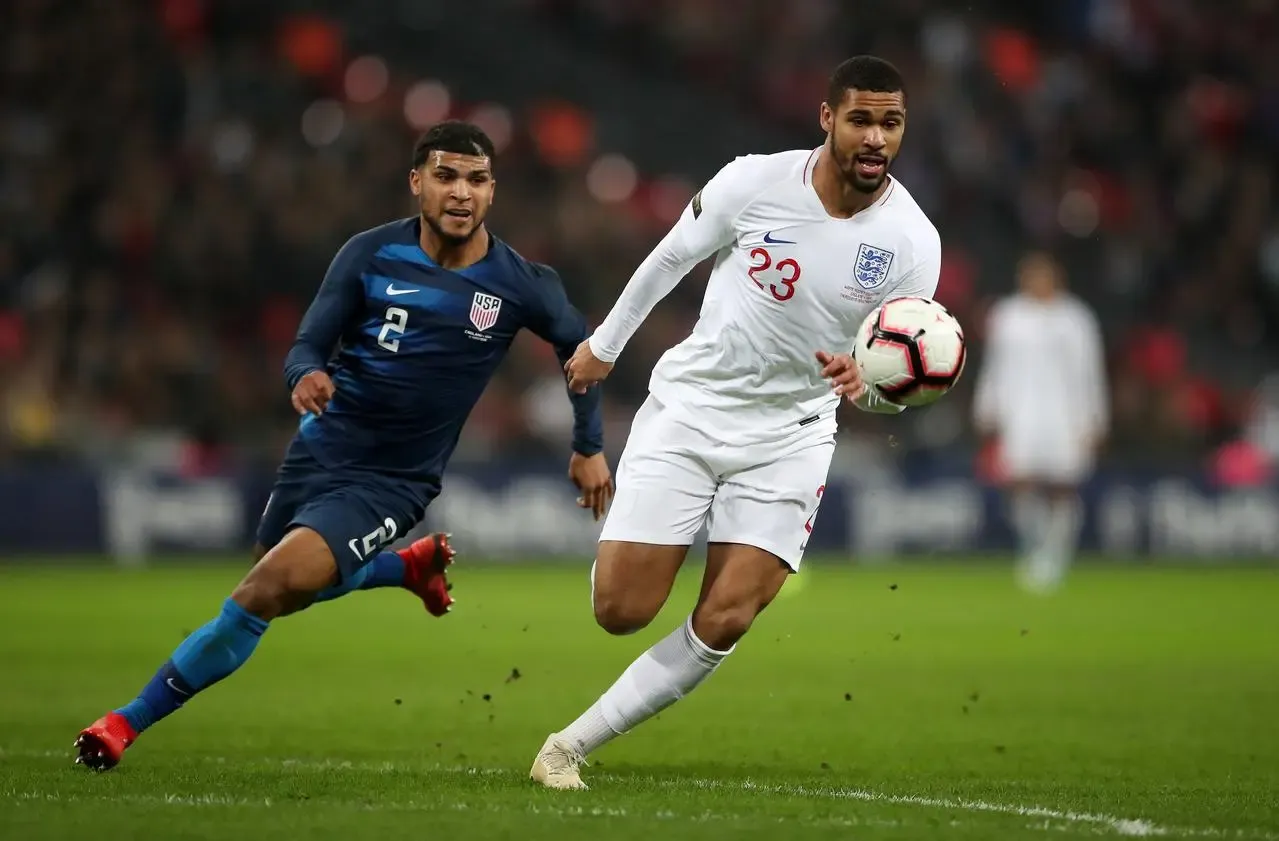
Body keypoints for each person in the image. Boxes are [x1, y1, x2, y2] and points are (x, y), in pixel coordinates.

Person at [75, 121, 614, 770]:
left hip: (393, 479)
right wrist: (304, 373)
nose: (461, 192)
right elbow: (308, 343)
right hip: (320, 448)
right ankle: (404, 569)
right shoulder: (369, 253)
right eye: (445, 176)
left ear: (492, 191)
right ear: (416, 182)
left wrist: (588, 445)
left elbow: (583, 350)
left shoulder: (521, 282)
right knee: (282, 581)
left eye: (476, 180)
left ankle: (123, 723)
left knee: (264, 589)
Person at [528, 56, 941, 789]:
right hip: (691, 409)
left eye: (891, 123)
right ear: (827, 119)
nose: (876, 138)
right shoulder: (753, 181)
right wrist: (604, 346)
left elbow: (893, 379)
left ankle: (568, 746)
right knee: (620, 609)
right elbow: (670, 258)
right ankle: (634, 545)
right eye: (861, 120)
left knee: (726, 616)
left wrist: (866, 389)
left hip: (791, 435)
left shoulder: (913, 243)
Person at [973, 251, 1108, 593]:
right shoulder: (1007, 315)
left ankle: (1056, 554)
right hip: (1020, 413)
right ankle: (1033, 549)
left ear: (1057, 278)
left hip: (1066, 414)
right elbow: (994, 365)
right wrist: (986, 406)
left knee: (1063, 486)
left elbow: (1090, 372)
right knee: (1019, 483)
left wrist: (1095, 418)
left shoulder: (1076, 318)